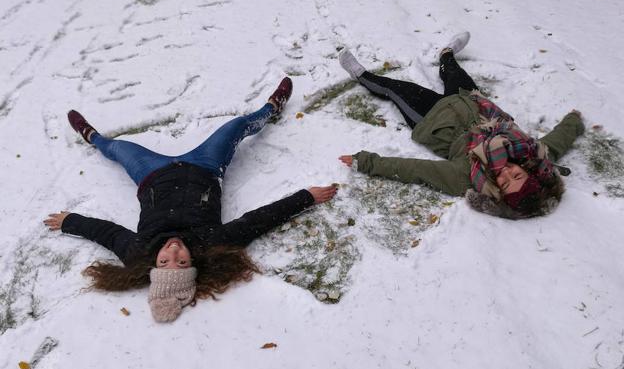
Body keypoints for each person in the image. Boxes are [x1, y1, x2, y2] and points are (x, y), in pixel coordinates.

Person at [44, 77, 337, 322]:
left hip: (151, 174)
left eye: (165, 259)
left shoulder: (138, 251)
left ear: (153, 264)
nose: (174, 250)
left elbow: (107, 234)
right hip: (205, 167)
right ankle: (270, 109)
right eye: (182, 261)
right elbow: (257, 221)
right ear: (192, 264)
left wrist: (71, 221)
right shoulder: (212, 243)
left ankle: (91, 136)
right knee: (236, 126)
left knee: (117, 148)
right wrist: (306, 197)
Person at [337, 32, 584, 219]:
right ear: (530, 171)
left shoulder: (467, 177)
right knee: (454, 72)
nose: (507, 172)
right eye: (517, 175)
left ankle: (362, 76)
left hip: (435, 119)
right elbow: (558, 139)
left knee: (394, 89)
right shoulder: (531, 152)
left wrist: (367, 162)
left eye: (505, 183)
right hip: (472, 102)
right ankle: (446, 55)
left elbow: (415, 169)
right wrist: (574, 120)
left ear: (497, 193)